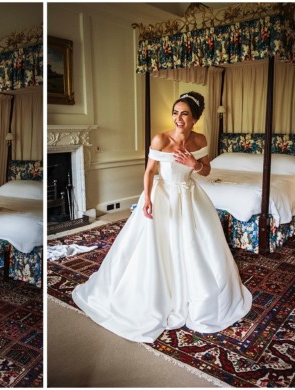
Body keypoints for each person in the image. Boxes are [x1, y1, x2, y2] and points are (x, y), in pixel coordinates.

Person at [72, 92, 252, 342]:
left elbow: (207, 170)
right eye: (175, 112)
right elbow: (149, 171)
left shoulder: (200, 139)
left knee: (197, 244)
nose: (178, 118)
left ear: (195, 118)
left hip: (189, 196)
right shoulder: (160, 139)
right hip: (162, 195)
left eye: (185, 114)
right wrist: (146, 198)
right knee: (157, 246)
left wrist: (194, 164)